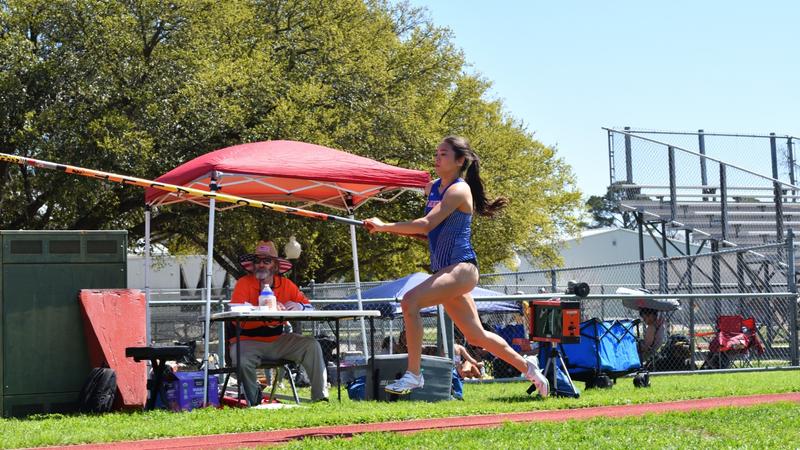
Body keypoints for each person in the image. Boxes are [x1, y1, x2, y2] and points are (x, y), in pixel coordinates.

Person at [364, 136, 549, 397]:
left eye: (443, 155)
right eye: (436, 153)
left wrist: (385, 226)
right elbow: (427, 231)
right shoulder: (434, 188)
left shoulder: (459, 191)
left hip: (462, 269)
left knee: (410, 302)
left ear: (460, 161)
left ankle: (414, 375)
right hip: (447, 272)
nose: (437, 158)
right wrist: (387, 227)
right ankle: (529, 367)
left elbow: (426, 224)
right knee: (476, 336)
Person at [229, 240, 328, 405]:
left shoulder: (287, 285)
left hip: (278, 341)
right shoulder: (243, 284)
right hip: (247, 342)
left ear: (274, 266)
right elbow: (235, 313)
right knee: (241, 357)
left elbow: (309, 306)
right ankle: (254, 400)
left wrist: (299, 306)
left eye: (266, 261)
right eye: (257, 261)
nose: (261, 265)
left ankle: (320, 398)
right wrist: (263, 310)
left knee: (312, 345)